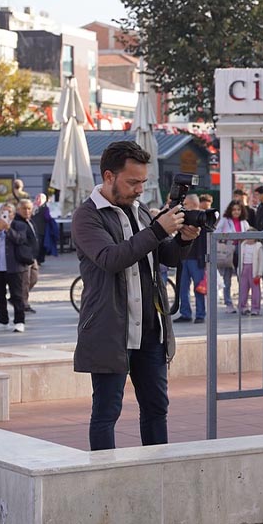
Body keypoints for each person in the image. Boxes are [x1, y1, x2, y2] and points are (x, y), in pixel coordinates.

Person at [72, 141, 197, 450]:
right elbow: (111, 258)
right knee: (106, 412)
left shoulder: (138, 210)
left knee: (157, 409)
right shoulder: (87, 216)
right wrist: (157, 230)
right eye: (132, 182)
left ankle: (159, 472)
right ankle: (104, 481)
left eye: (143, 181)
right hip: (109, 330)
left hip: (150, 331)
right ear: (109, 176)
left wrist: (182, 240)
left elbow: (162, 256)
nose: (140, 189)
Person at [0, 203, 32, 333]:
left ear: (13, 214)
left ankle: (19, 321)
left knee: (17, 295)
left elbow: (20, 240)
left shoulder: (19, 225)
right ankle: (2, 321)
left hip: (14, 267)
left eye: (9, 212)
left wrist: (8, 229)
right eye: (3, 212)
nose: (6, 214)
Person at [173, 195, 208, 324]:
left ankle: (200, 314)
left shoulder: (202, 218)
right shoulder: (183, 217)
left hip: (196, 259)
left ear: (193, 204)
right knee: (182, 287)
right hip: (183, 258)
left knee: (199, 288)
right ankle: (185, 313)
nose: (184, 206)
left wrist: (203, 260)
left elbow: (204, 241)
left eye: (186, 204)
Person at [214, 201, 250, 313]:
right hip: (228, 250)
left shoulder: (244, 222)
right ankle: (228, 303)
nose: (236, 212)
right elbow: (217, 232)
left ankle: (243, 303)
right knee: (227, 279)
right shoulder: (225, 220)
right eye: (234, 210)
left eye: (238, 210)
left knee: (242, 278)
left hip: (242, 249)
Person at [12, 199, 40, 314]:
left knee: (33, 279)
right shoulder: (17, 222)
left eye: (29, 208)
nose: (27, 211)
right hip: (24, 256)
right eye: (24, 208)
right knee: (25, 281)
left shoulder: (29, 221)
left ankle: (16, 298)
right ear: (18, 210)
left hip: (32, 256)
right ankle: (23, 304)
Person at [237, 230, 263, 316]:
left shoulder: (258, 246)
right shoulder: (242, 245)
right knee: (243, 289)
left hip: (254, 269)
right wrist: (239, 270)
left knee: (255, 290)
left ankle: (255, 308)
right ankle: (243, 307)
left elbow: (261, 260)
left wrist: (260, 273)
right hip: (244, 268)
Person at [34, 193, 60, 260]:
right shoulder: (43, 208)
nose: (38, 200)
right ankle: (39, 258)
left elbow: (47, 218)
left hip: (40, 229)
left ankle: (39, 258)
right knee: (39, 244)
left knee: (40, 244)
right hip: (38, 229)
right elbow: (47, 218)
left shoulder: (41, 208)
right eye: (37, 198)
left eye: (39, 198)